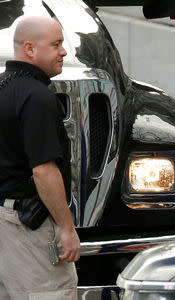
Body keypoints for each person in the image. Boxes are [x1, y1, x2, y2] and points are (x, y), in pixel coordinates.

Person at [0, 16, 80, 299]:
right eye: (57, 44)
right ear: (30, 49)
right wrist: (67, 228)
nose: (64, 52)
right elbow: (44, 171)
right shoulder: (37, 97)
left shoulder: (4, 87)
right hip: (27, 229)